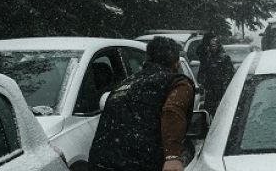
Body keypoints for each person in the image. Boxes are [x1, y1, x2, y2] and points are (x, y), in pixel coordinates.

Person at [90, 36, 196, 171]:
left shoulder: (122, 86)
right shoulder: (177, 83)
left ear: (146, 60)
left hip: (100, 163)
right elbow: (172, 111)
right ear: (176, 64)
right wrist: (172, 156)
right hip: (142, 164)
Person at [197, 33, 235, 118]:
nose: (212, 47)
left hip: (221, 91)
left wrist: (224, 85)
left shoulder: (224, 58)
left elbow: (229, 74)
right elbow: (201, 75)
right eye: (211, 45)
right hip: (210, 92)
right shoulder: (206, 59)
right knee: (209, 113)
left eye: (214, 45)